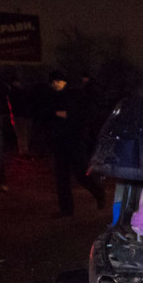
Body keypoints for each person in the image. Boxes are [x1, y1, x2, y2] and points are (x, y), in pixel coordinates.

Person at [41, 70, 104, 217]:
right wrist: (57, 115)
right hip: (58, 142)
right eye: (53, 81)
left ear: (65, 82)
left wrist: (67, 115)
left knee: (81, 174)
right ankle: (66, 209)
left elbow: (83, 115)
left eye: (58, 81)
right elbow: (45, 115)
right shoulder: (50, 98)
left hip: (74, 141)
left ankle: (98, 192)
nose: (55, 84)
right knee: (62, 178)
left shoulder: (74, 96)